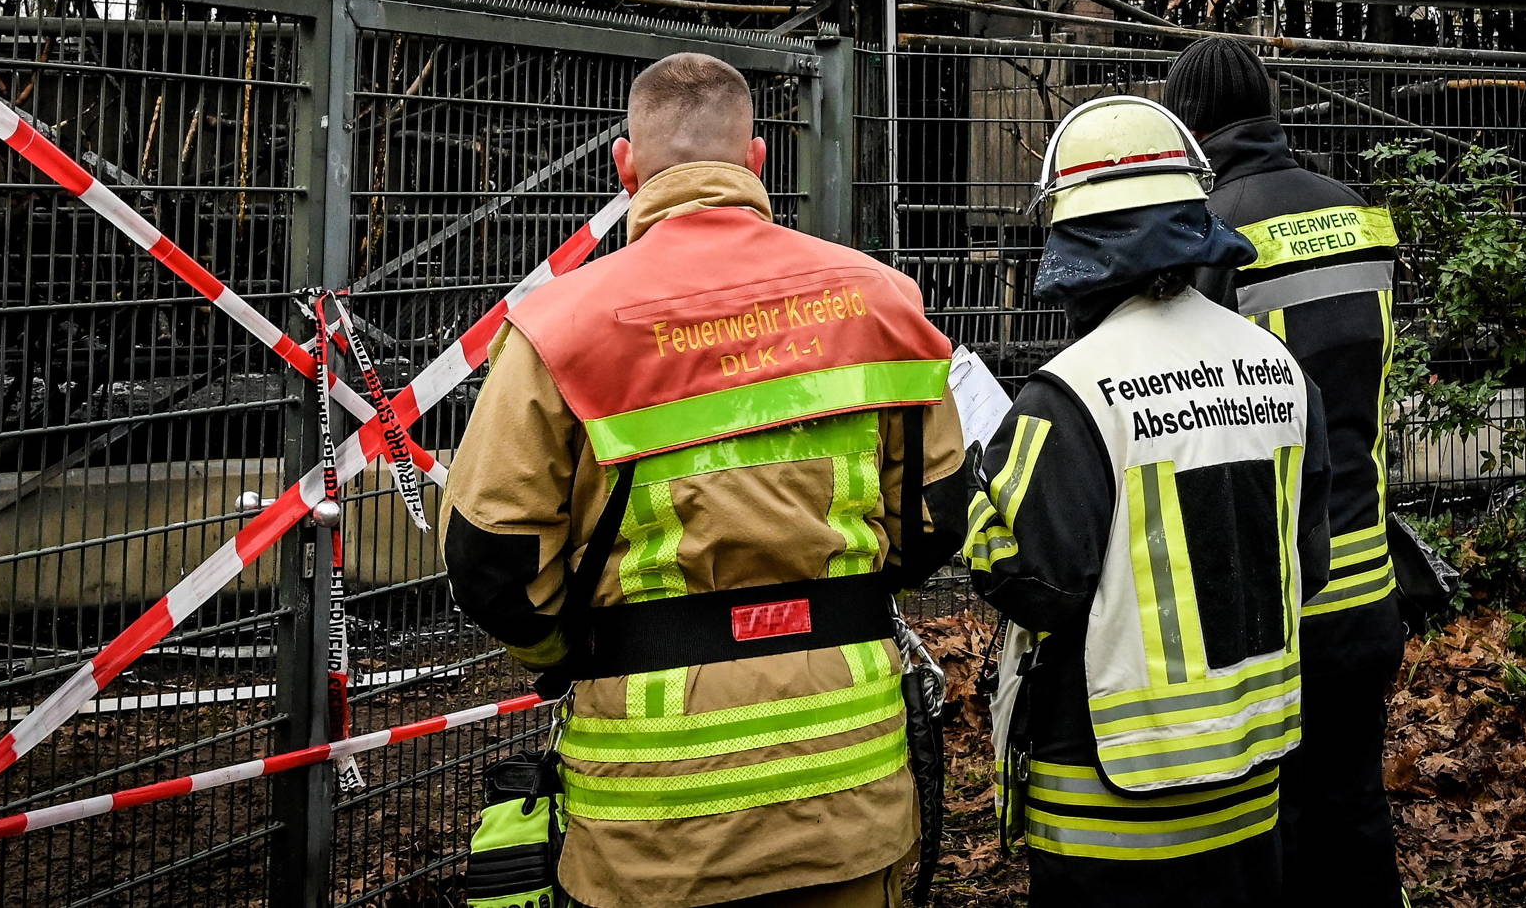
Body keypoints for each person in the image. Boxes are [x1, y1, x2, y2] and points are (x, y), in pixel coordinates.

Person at [442, 51, 975, 908]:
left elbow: (490, 558)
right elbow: (939, 511)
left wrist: (567, 651)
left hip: (652, 814)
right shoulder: (880, 301)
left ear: (625, 165)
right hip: (848, 785)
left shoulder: (559, 326)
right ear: (757, 159)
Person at [966, 94, 1328, 908]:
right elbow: (1309, 558)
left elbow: (1032, 581)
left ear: (1072, 244)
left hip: (1108, 811)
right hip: (1249, 788)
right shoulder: (1280, 369)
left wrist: (974, 490)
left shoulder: (1069, 392)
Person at [1166, 38, 1404, 907]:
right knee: (1357, 809)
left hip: (1274, 597)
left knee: (1277, 828)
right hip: (1368, 581)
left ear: (1189, 123)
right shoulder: (1358, 214)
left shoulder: (1210, 232)